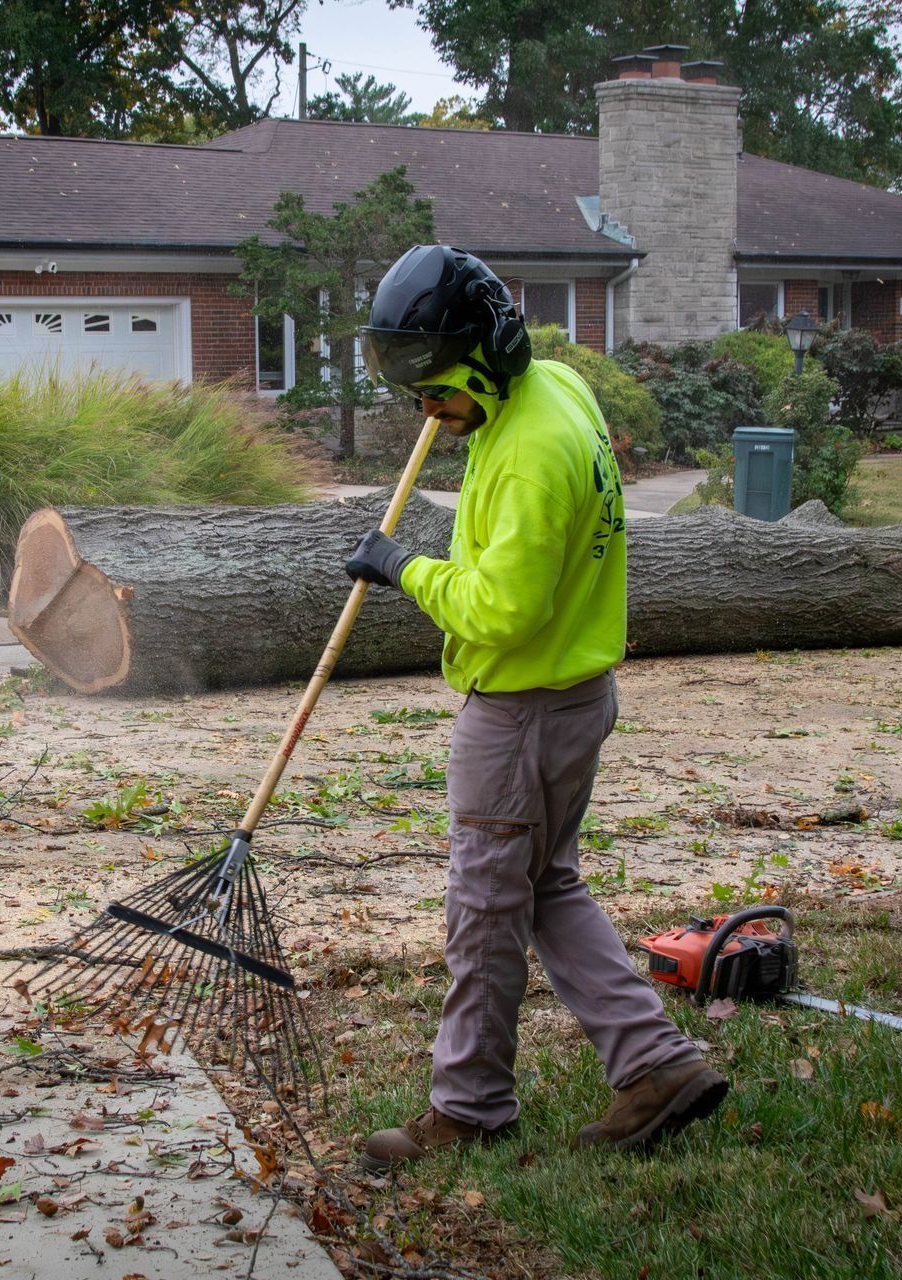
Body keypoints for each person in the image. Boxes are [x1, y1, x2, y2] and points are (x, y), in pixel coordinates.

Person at [345, 245, 724, 1169]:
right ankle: (657, 1063)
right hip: (577, 695)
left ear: (480, 365)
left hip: (519, 711)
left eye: (436, 392)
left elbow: (498, 610)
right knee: (545, 882)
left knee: (485, 908)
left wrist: (403, 567)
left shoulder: (527, 455)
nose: (428, 414)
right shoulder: (554, 385)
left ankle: (469, 1106)